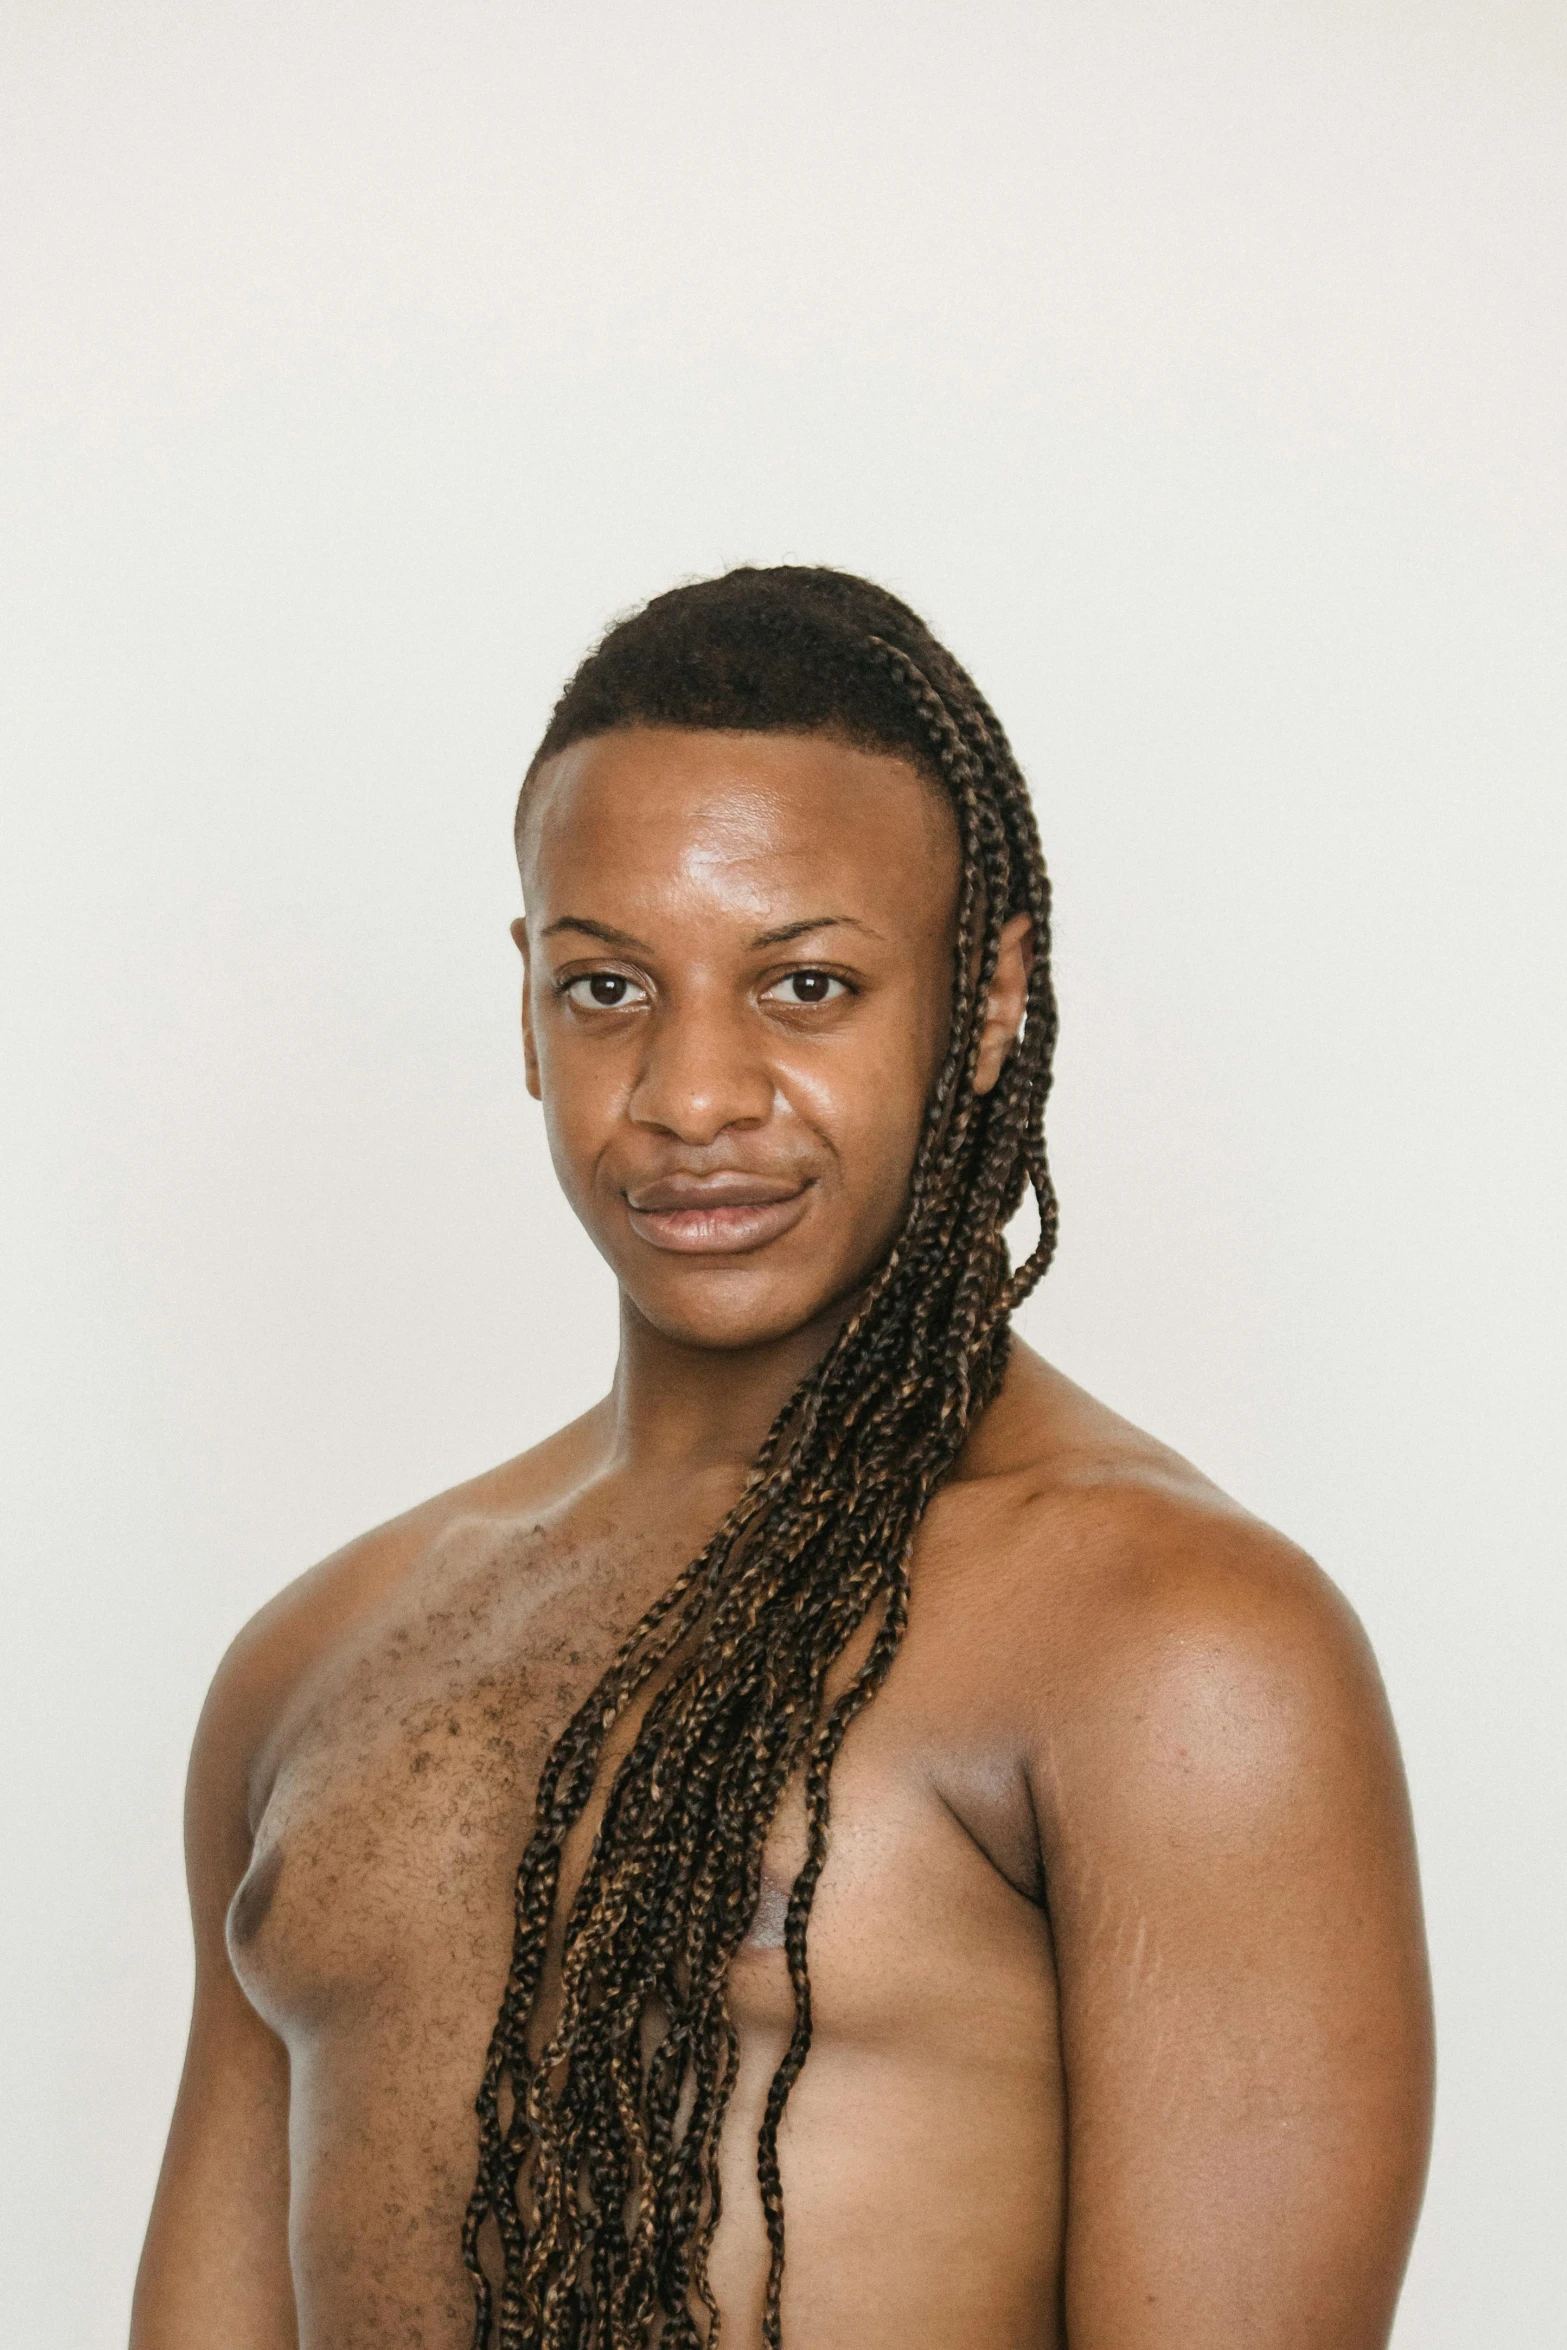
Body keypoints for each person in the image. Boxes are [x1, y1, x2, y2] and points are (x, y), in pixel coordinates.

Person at [131, 566, 1434, 2350]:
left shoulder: (1171, 1640)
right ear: (523, 1005)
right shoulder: (313, 1662)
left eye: (803, 983)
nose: (690, 1094)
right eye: (607, 987)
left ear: (985, 999)